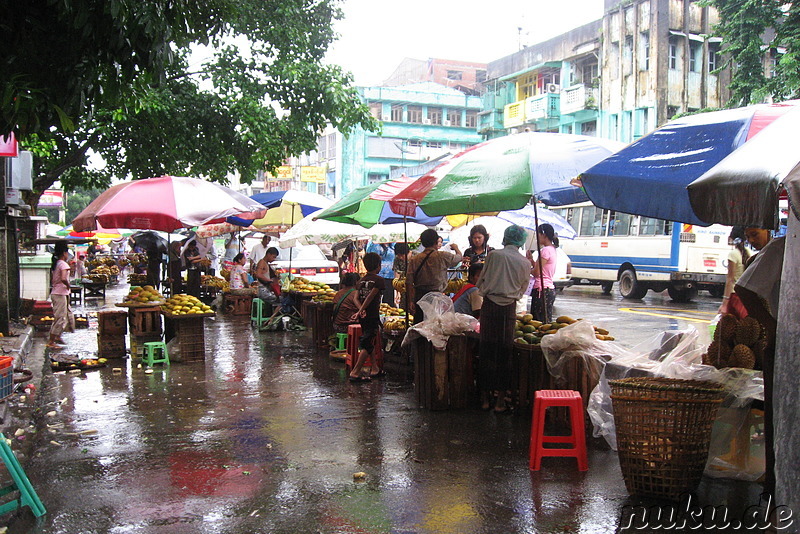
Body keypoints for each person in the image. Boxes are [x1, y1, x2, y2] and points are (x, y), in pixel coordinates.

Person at [735, 234, 784, 499]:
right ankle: (774, 485)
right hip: (788, 344)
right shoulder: (783, 247)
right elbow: (744, 288)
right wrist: (771, 324)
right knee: (778, 417)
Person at [476, 225, 531, 413]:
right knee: (504, 353)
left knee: (486, 351)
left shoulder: (493, 255)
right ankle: (500, 401)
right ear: (521, 241)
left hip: (489, 306)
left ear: (506, 237)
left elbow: (481, 281)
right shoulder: (525, 262)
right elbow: (523, 289)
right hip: (509, 309)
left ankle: (484, 398)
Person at [406, 229, 462, 324]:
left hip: (420, 298)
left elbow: (408, 282)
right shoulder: (443, 256)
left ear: (422, 242)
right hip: (437, 297)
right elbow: (459, 258)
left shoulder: (414, 259)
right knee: (436, 328)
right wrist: (456, 248)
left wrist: (410, 301)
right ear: (436, 241)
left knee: (420, 327)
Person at [348, 252, 385, 381]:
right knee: (367, 343)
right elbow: (371, 297)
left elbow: (356, 298)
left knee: (370, 342)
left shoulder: (361, 281)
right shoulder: (379, 280)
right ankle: (355, 372)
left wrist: (360, 310)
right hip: (372, 315)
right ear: (378, 266)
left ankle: (375, 369)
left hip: (363, 316)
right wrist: (361, 310)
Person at [526, 223, 559, 323]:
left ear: (544, 235)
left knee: (538, 321)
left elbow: (536, 272)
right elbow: (542, 268)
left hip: (541, 290)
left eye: (538, 235)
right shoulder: (552, 249)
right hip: (548, 289)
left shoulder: (544, 250)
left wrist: (527, 269)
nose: (537, 239)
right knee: (545, 320)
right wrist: (531, 260)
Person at [719, 226, 750, 315]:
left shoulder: (733, 254)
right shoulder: (749, 253)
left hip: (734, 296)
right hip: (745, 296)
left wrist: (724, 303)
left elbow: (730, 279)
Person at [48, 242, 74, 349]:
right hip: (60, 293)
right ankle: (51, 341)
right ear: (64, 253)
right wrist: (68, 286)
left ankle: (57, 336)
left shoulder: (56, 264)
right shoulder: (63, 264)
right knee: (60, 317)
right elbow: (64, 278)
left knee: (63, 316)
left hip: (57, 292)